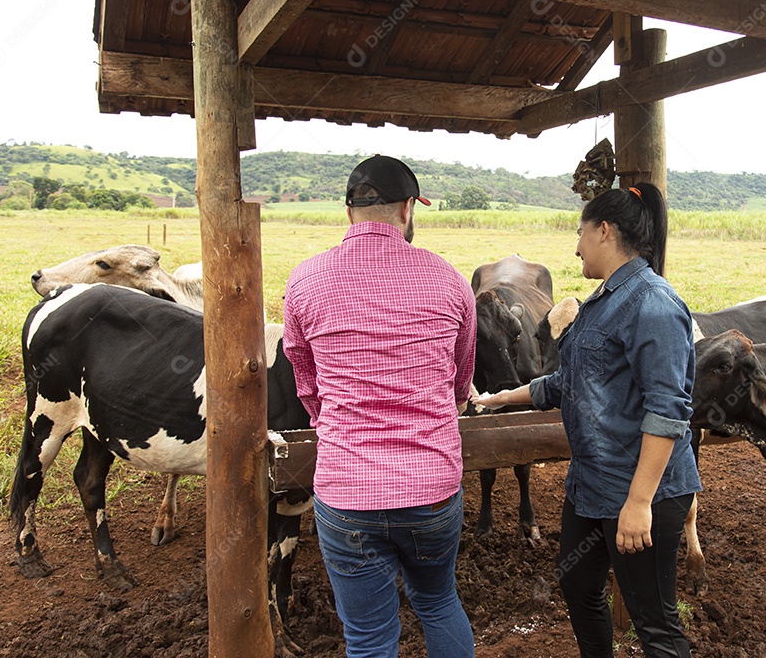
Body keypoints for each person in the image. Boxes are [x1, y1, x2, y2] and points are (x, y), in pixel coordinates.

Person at [474, 183, 700, 658]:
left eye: (580, 232)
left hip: (641, 490)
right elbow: (566, 382)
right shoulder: (603, 300)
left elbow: (668, 410)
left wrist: (639, 503)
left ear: (604, 230)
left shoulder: (653, 303)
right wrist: (500, 398)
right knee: (578, 584)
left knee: (653, 621)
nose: (575, 246)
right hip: (592, 485)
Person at [282, 155, 477, 658]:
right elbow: (460, 384)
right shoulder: (451, 281)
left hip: (348, 494)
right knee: (437, 601)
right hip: (432, 489)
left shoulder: (304, 282)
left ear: (349, 212)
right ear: (408, 208)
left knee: (368, 636)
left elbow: (308, 386)